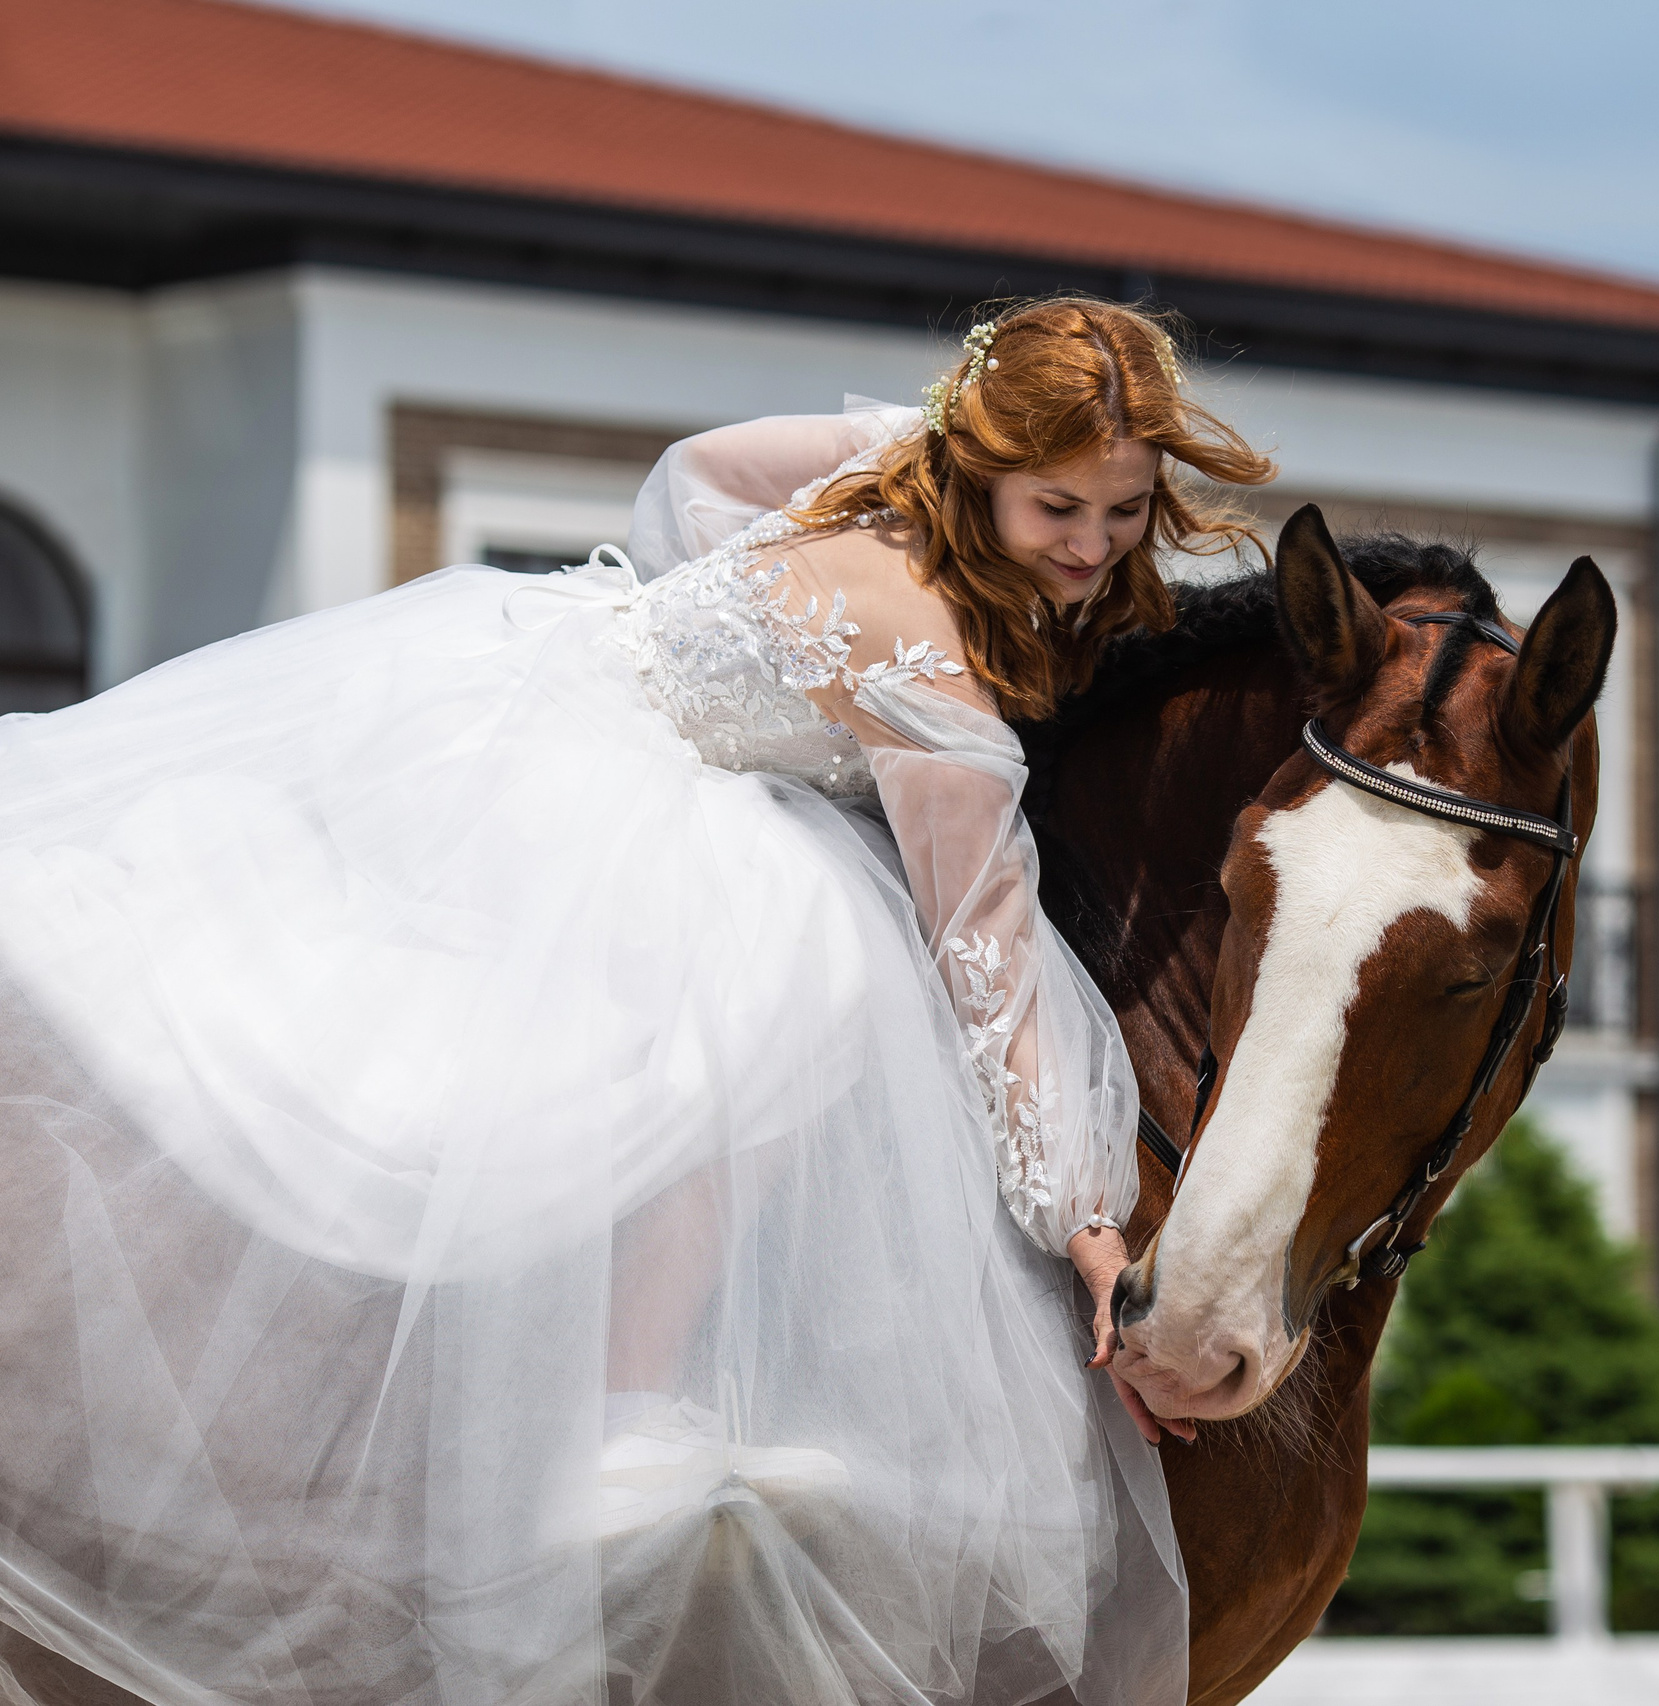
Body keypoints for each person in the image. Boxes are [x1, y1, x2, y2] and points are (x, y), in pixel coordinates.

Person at [0, 297, 1275, 1706]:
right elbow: (986, 952)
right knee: (809, 961)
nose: (1093, 547)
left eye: (1123, 508)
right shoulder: (930, 677)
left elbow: (693, 478)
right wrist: (1085, 1220)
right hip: (601, 790)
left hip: (533, 684)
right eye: (1057, 507)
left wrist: (734, 640)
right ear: (982, 465)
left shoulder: (881, 461)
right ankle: (624, 1405)